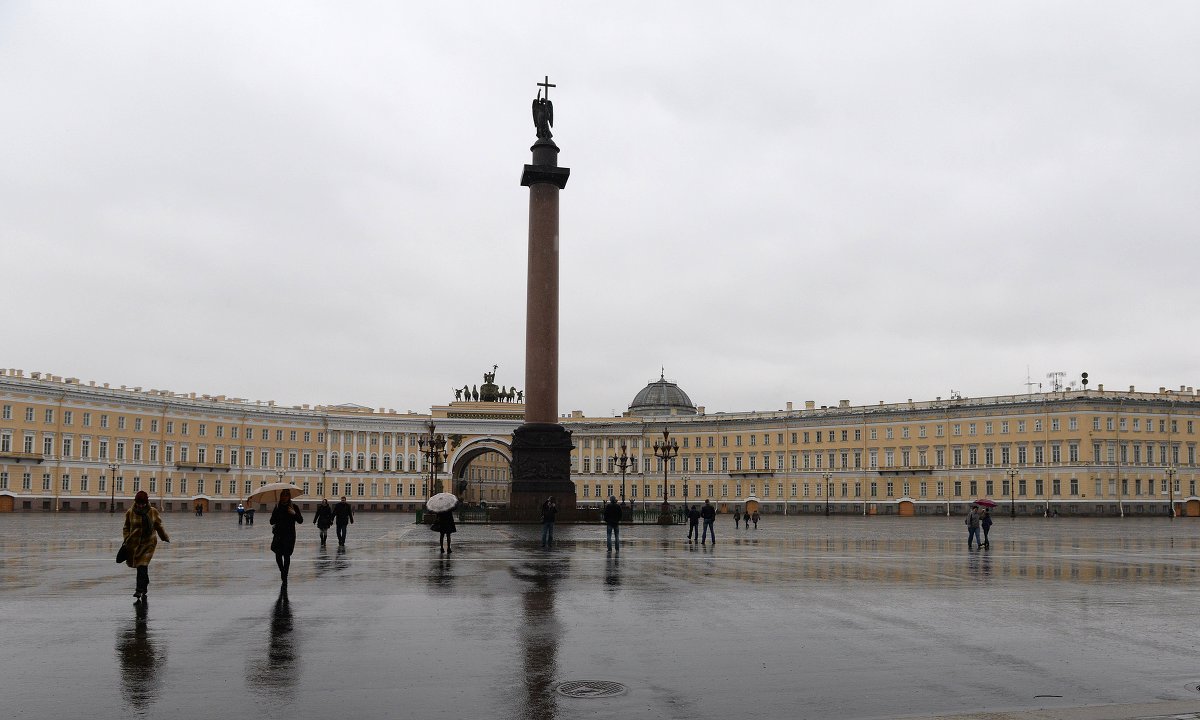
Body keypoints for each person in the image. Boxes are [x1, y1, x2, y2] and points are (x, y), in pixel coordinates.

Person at [122, 490, 170, 602]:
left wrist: (164, 537)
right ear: (136, 502)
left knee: (142, 565)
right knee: (141, 567)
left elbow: (159, 526)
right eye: (139, 503)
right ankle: (145, 584)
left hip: (149, 543)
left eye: (143, 504)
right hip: (135, 544)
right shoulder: (130, 512)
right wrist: (126, 538)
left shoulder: (152, 511)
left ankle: (139, 590)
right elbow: (126, 527)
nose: (140, 506)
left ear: (146, 502)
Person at [270, 490, 304, 586]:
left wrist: (294, 513)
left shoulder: (294, 507)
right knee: (278, 555)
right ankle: (282, 571)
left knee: (286, 555)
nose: (284, 497)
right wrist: (276, 513)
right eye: (283, 496)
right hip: (278, 534)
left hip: (289, 535)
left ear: (289, 497)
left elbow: (300, 520)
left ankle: (285, 574)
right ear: (280, 497)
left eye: (286, 496)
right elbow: (271, 521)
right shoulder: (277, 507)